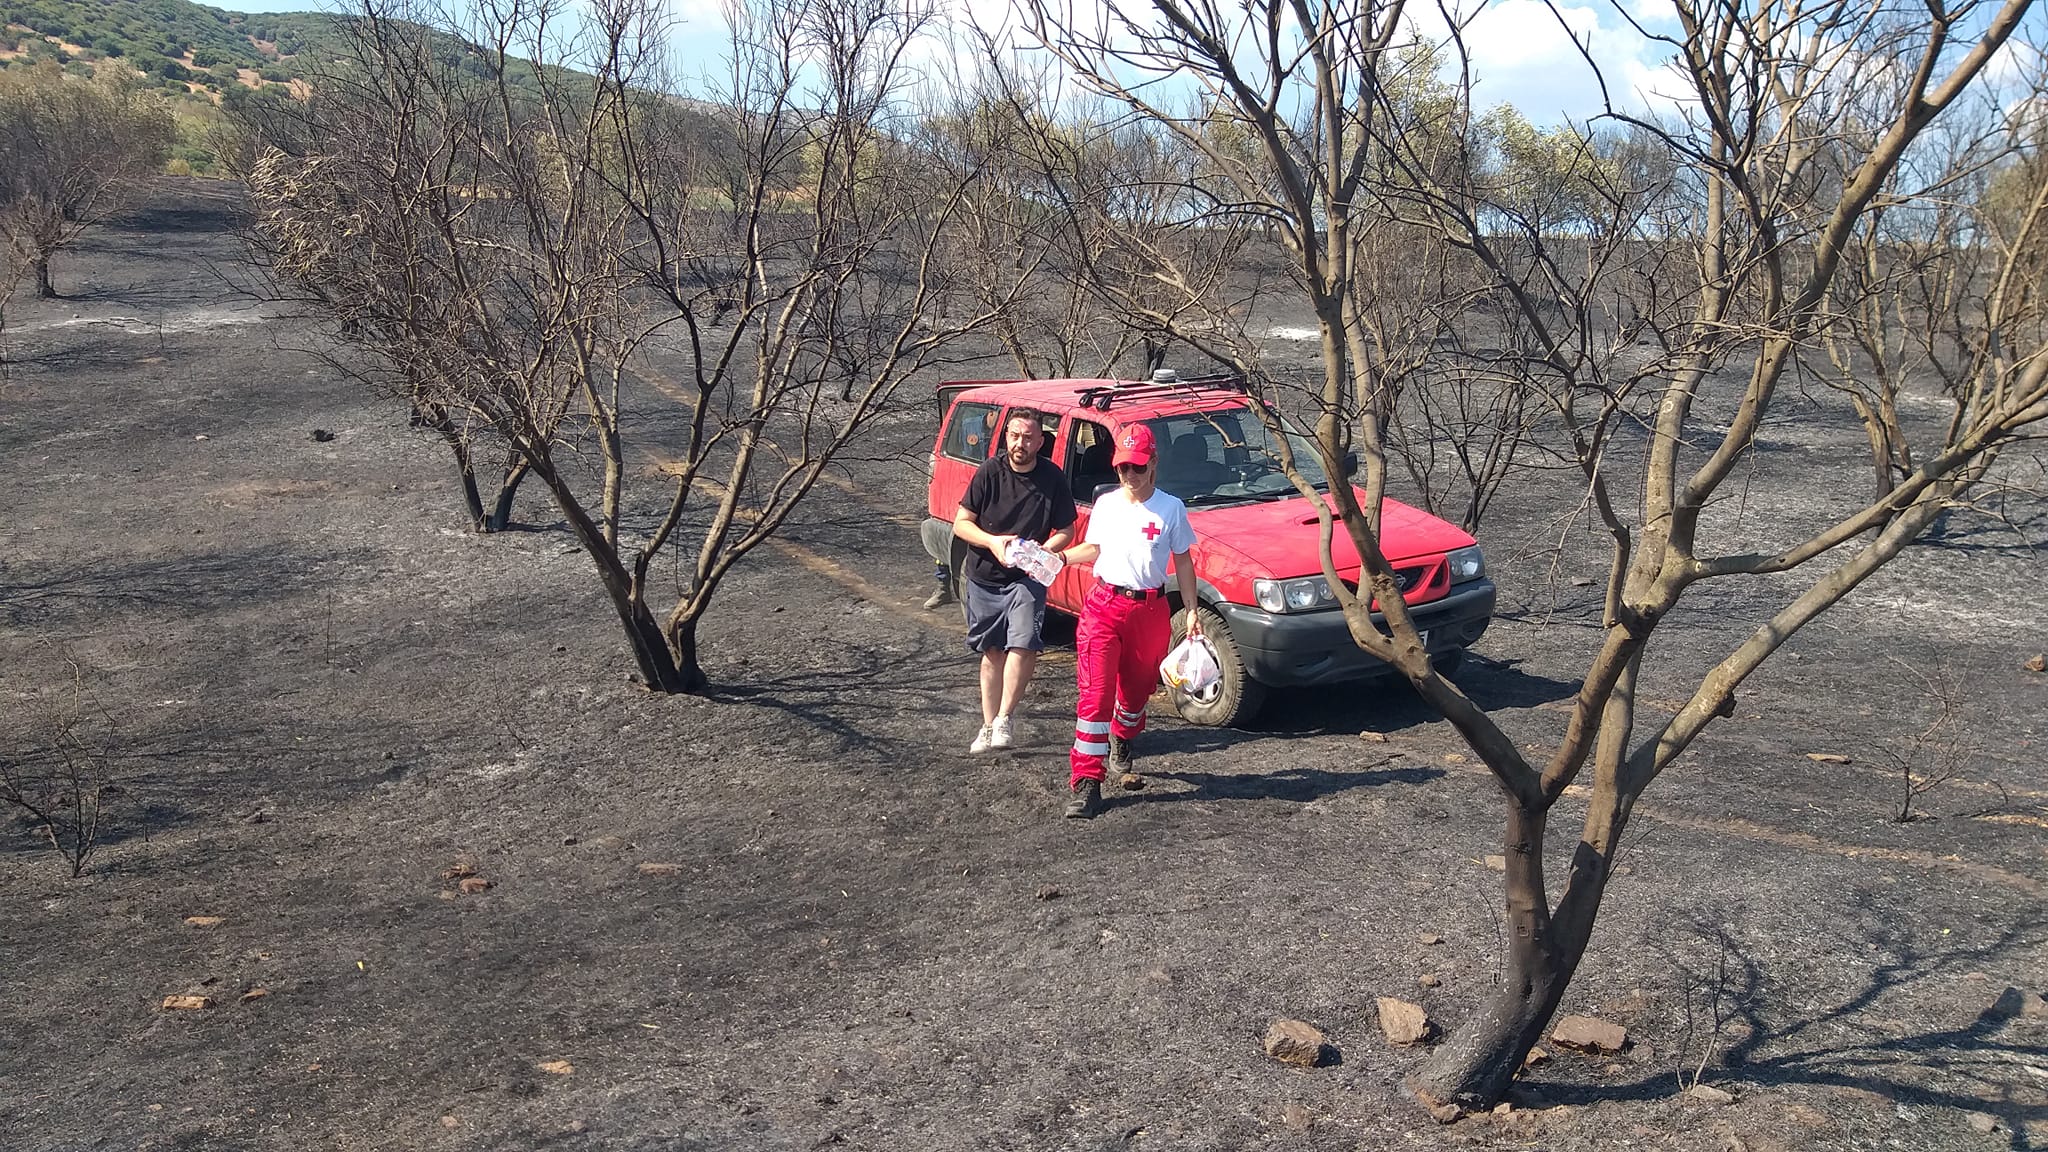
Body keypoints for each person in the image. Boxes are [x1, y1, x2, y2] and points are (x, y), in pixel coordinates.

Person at [1055, 423, 1198, 819]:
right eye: (1123, 469)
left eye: (1137, 467)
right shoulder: (1107, 505)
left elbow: (1183, 561)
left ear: (1153, 464)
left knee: (1135, 694)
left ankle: (1124, 734)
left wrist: (1191, 611)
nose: (1130, 476)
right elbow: (1093, 547)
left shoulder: (1171, 508)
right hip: (1103, 606)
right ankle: (1086, 782)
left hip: (1150, 611)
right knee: (1095, 696)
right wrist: (1061, 558)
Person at [952, 409, 1077, 753]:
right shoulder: (990, 472)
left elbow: (1067, 529)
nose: (1020, 443)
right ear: (1007, 436)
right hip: (984, 576)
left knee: (1023, 643)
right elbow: (961, 524)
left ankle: (1006, 718)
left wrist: (1043, 550)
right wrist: (992, 541)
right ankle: (988, 725)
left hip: (1027, 577)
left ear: (1040, 441)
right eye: (1014, 435)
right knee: (992, 651)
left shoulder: (1053, 478)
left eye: (1028, 437)